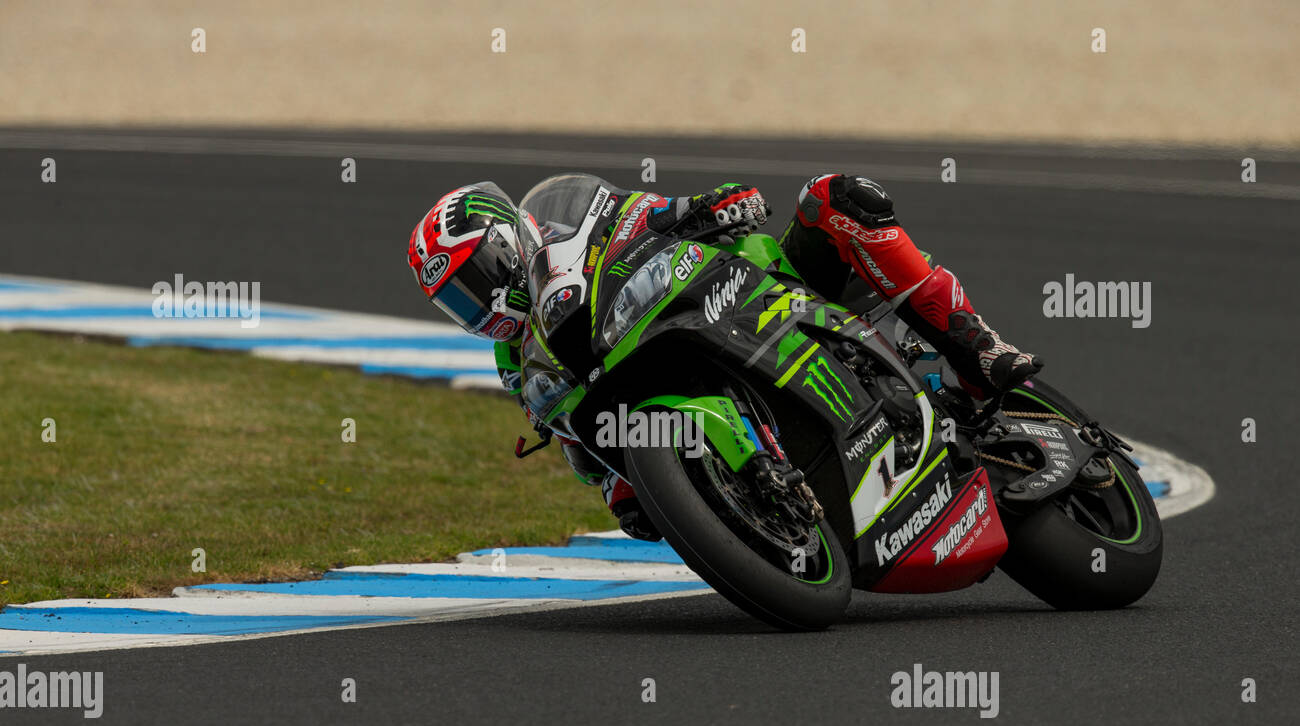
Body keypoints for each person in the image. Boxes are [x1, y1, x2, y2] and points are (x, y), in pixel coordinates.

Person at [407, 174, 1041, 539]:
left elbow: (651, 212)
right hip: (659, 364)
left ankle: (980, 348)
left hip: (753, 288)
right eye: (459, 301)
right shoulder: (515, 362)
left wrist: (711, 206)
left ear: (507, 239)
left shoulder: (567, 220)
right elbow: (580, 439)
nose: (483, 302)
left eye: (480, 275)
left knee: (836, 198)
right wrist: (619, 488)